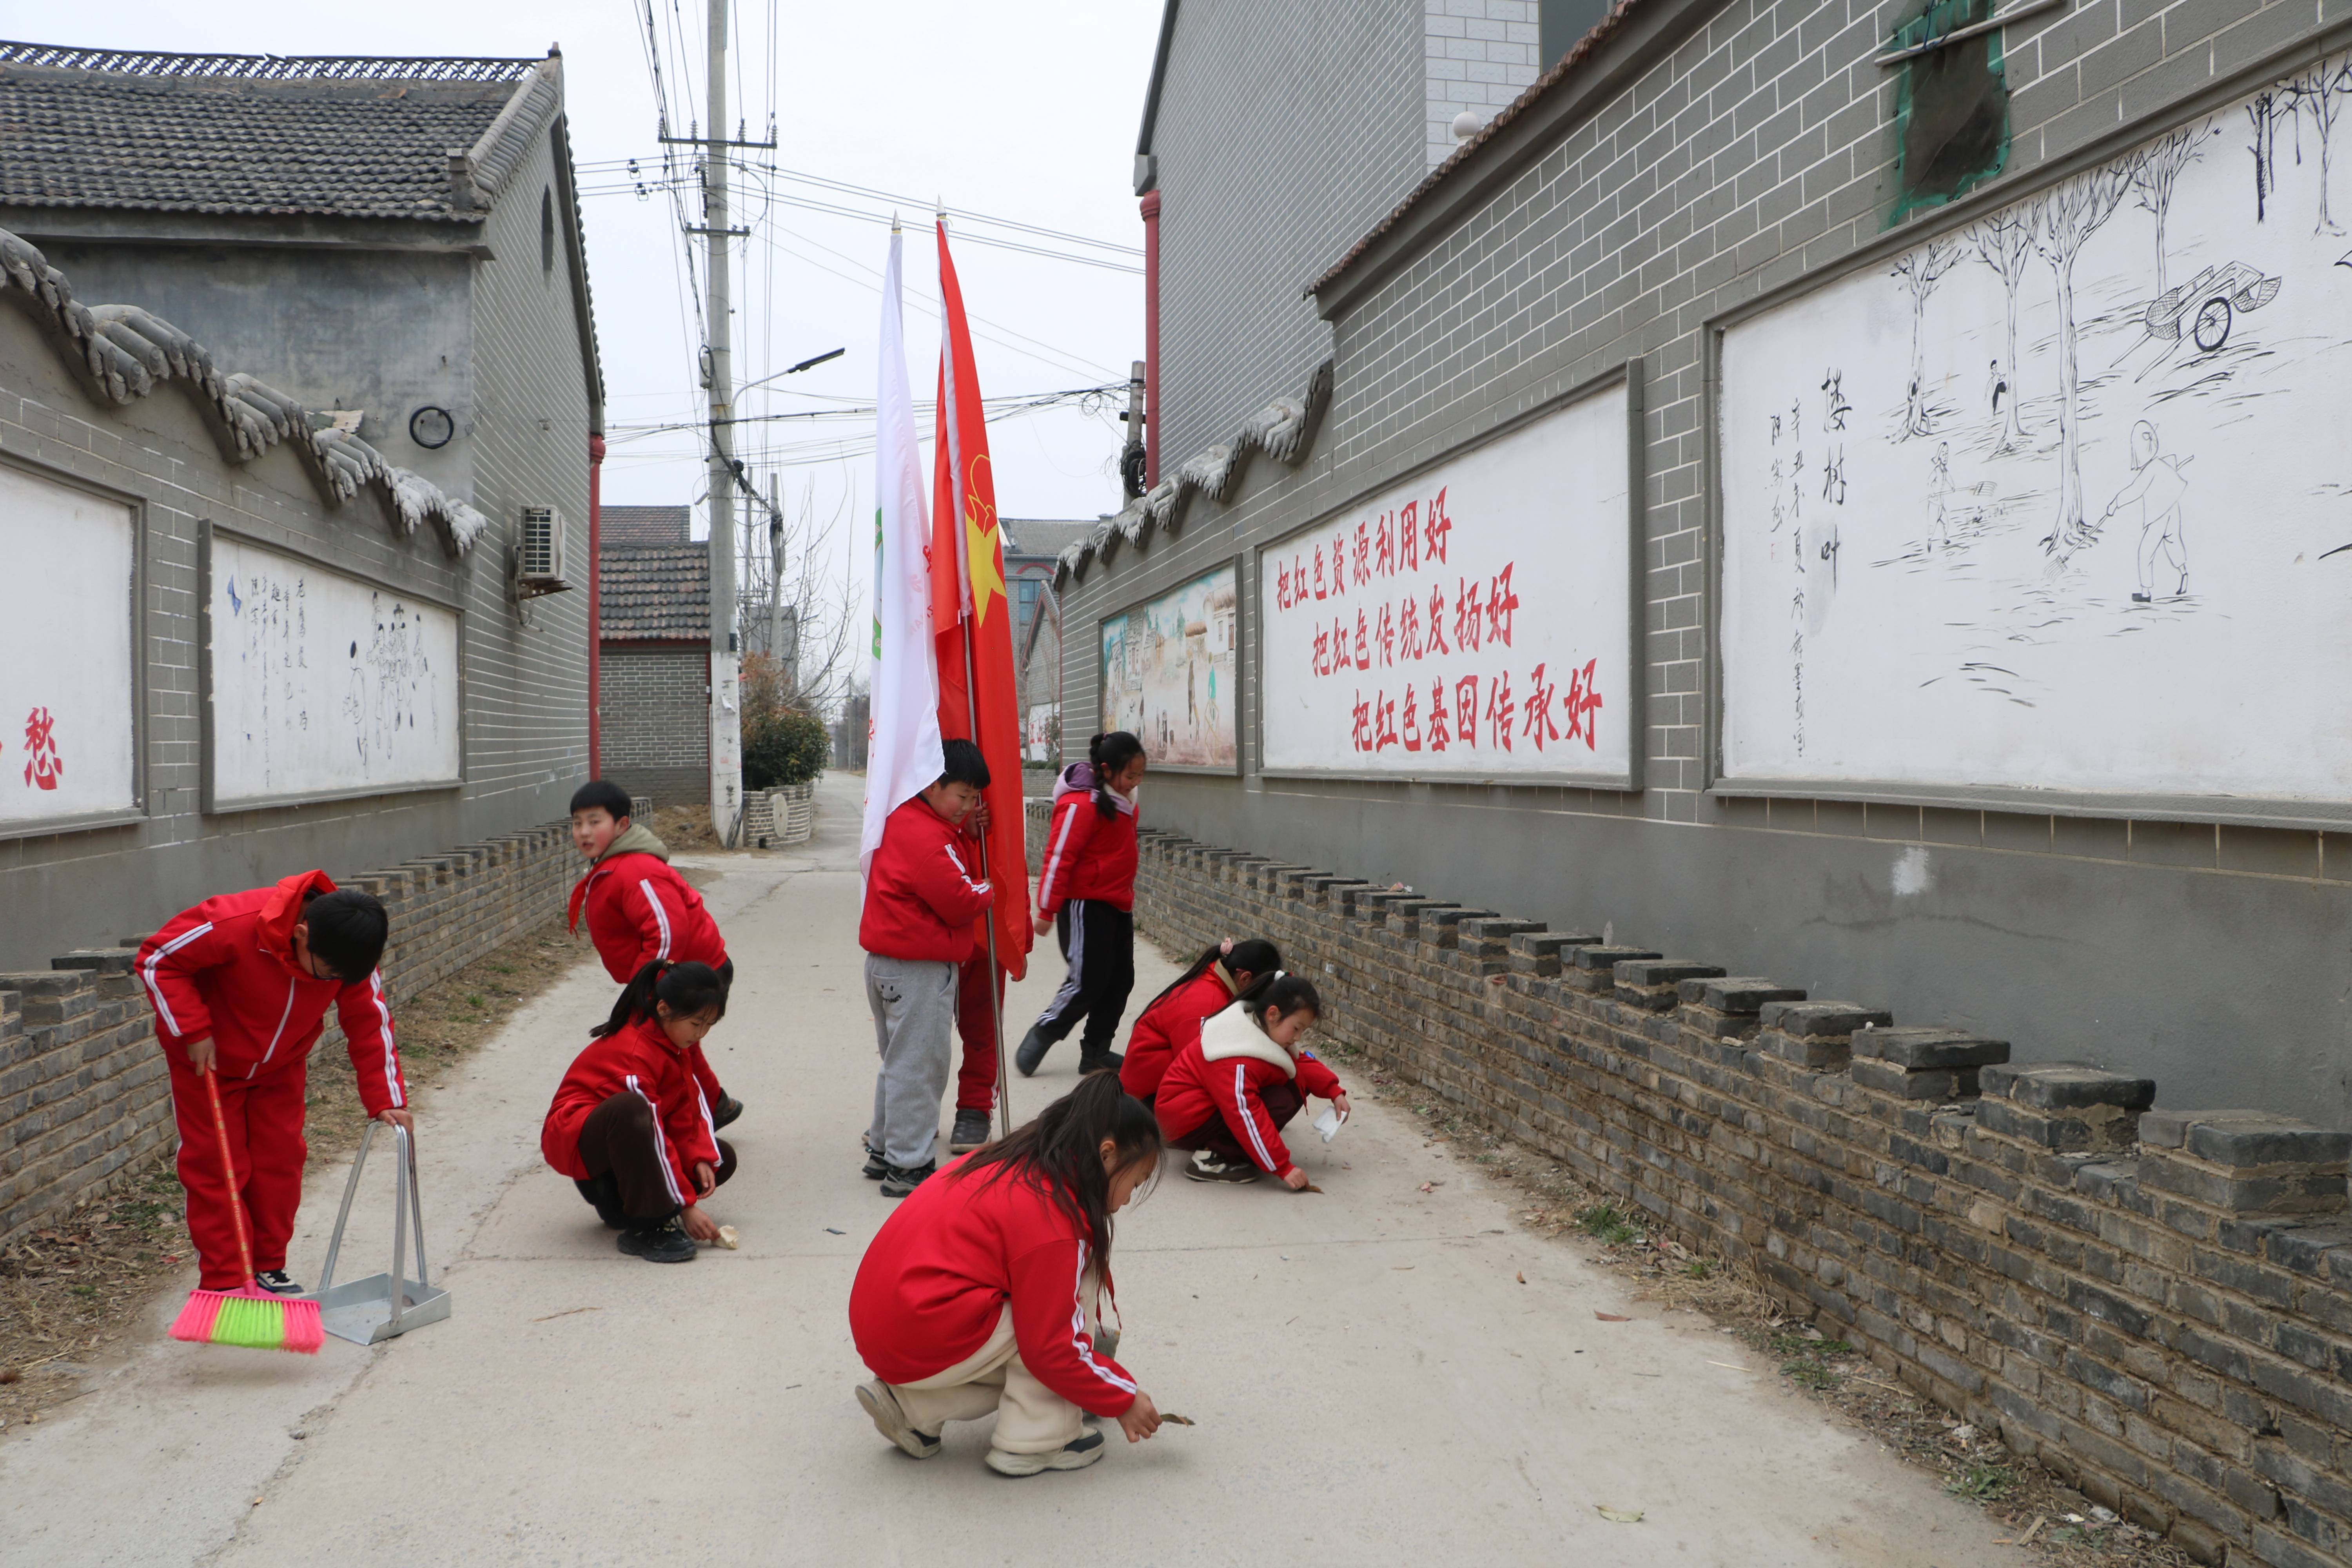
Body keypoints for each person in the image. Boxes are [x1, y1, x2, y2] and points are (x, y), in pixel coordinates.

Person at [848, 1073, 1165, 1477]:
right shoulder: (1057, 1217)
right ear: (1107, 1154)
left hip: (890, 1326)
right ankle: (1040, 1439)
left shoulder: (1013, 1156)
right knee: (1054, 1331)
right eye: (1134, 1184)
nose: (1126, 1200)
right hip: (921, 1326)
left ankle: (911, 1407)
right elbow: (1051, 1349)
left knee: (1047, 1330)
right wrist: (1123, 1397)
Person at [136, 873, 409, 1296]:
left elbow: (370, 1021)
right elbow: (157, 959)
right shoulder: (235, 922)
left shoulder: (347, 952)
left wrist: (385, 1098)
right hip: (209, 1064)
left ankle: (267, 1265)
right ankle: (227, 1278)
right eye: (327, 973)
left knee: (279, 1164)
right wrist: (193, 1030)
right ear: (301, 934)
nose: (331, 981)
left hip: (281, 1065)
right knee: (218, 1167)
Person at [860, 739, 995, 1197]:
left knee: (898, 1062)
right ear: (933, 784)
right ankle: (908, 1164)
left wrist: (967, 833)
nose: (969, 806)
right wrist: (989, 888)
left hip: (889, 964)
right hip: (918, 969)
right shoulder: (928, 840)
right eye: (963, 795)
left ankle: (884, 1150)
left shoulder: (907, 820)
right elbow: (960, 900)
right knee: (920, 1068)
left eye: (975, 798)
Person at [566, 780, 743, 1129]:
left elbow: (667, 933)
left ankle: (689, 1122)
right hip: (674, 972)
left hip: (694, 974)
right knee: (678, 1044)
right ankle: (715, 1106)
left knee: (665, 1045)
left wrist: (647, 991)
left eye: (594, 821)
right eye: (577, 823)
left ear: (622, 825)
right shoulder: (612, 864)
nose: (584, 832)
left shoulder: (634, 869)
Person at [541, 960, 735, 1264]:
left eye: (710, 1025)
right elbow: (655, 1130)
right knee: (632, 1109)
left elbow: (688, 1108)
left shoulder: (673, 1041)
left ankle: (618, 1200)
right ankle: (648, 1227)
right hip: (577, 1138)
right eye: (696, 1024)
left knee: (720, 1159)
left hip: (630, 1136)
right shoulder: (634, 1052)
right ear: (663, 1009)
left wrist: (699, 1157)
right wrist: (684, 1206)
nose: (702, 1034)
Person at [1015, 732, 1146, 1078]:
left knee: (1121, 979)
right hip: (1084, 906)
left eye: (1139, 775)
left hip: (1118, 905)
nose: (1135, 782)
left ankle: (1096, 1051)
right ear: (1106, 769)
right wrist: (1046, 909)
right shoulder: (1080, 804)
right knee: (1088, 979)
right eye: (1130, 775)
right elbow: (1059, 856)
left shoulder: (1125, 800)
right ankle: (1045, 1030)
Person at [1154, 973, 1347, 1188]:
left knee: (1293, 1082)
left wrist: (1335, 1091)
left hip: (1202, 1110)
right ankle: (1211, 1159)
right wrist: (1283, 1167)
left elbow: (1296, 1061)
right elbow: (1245, 1114)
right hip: (1185, 1123)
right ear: (1273, 1014)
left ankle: (1240, 1149)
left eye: (1303, 1030)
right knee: (1280, 1100)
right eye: (1296, 1028)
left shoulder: (1258, 1026)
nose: (1298, 1037)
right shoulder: (1235, 1057)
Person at [1118, 937, 1281, 1105]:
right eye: (1262, 990)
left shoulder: (1212, 980)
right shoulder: (1208, 1003)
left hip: (1149, 1092)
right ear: (1245, 979)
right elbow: (1202, 1071)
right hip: (1142, 1102)